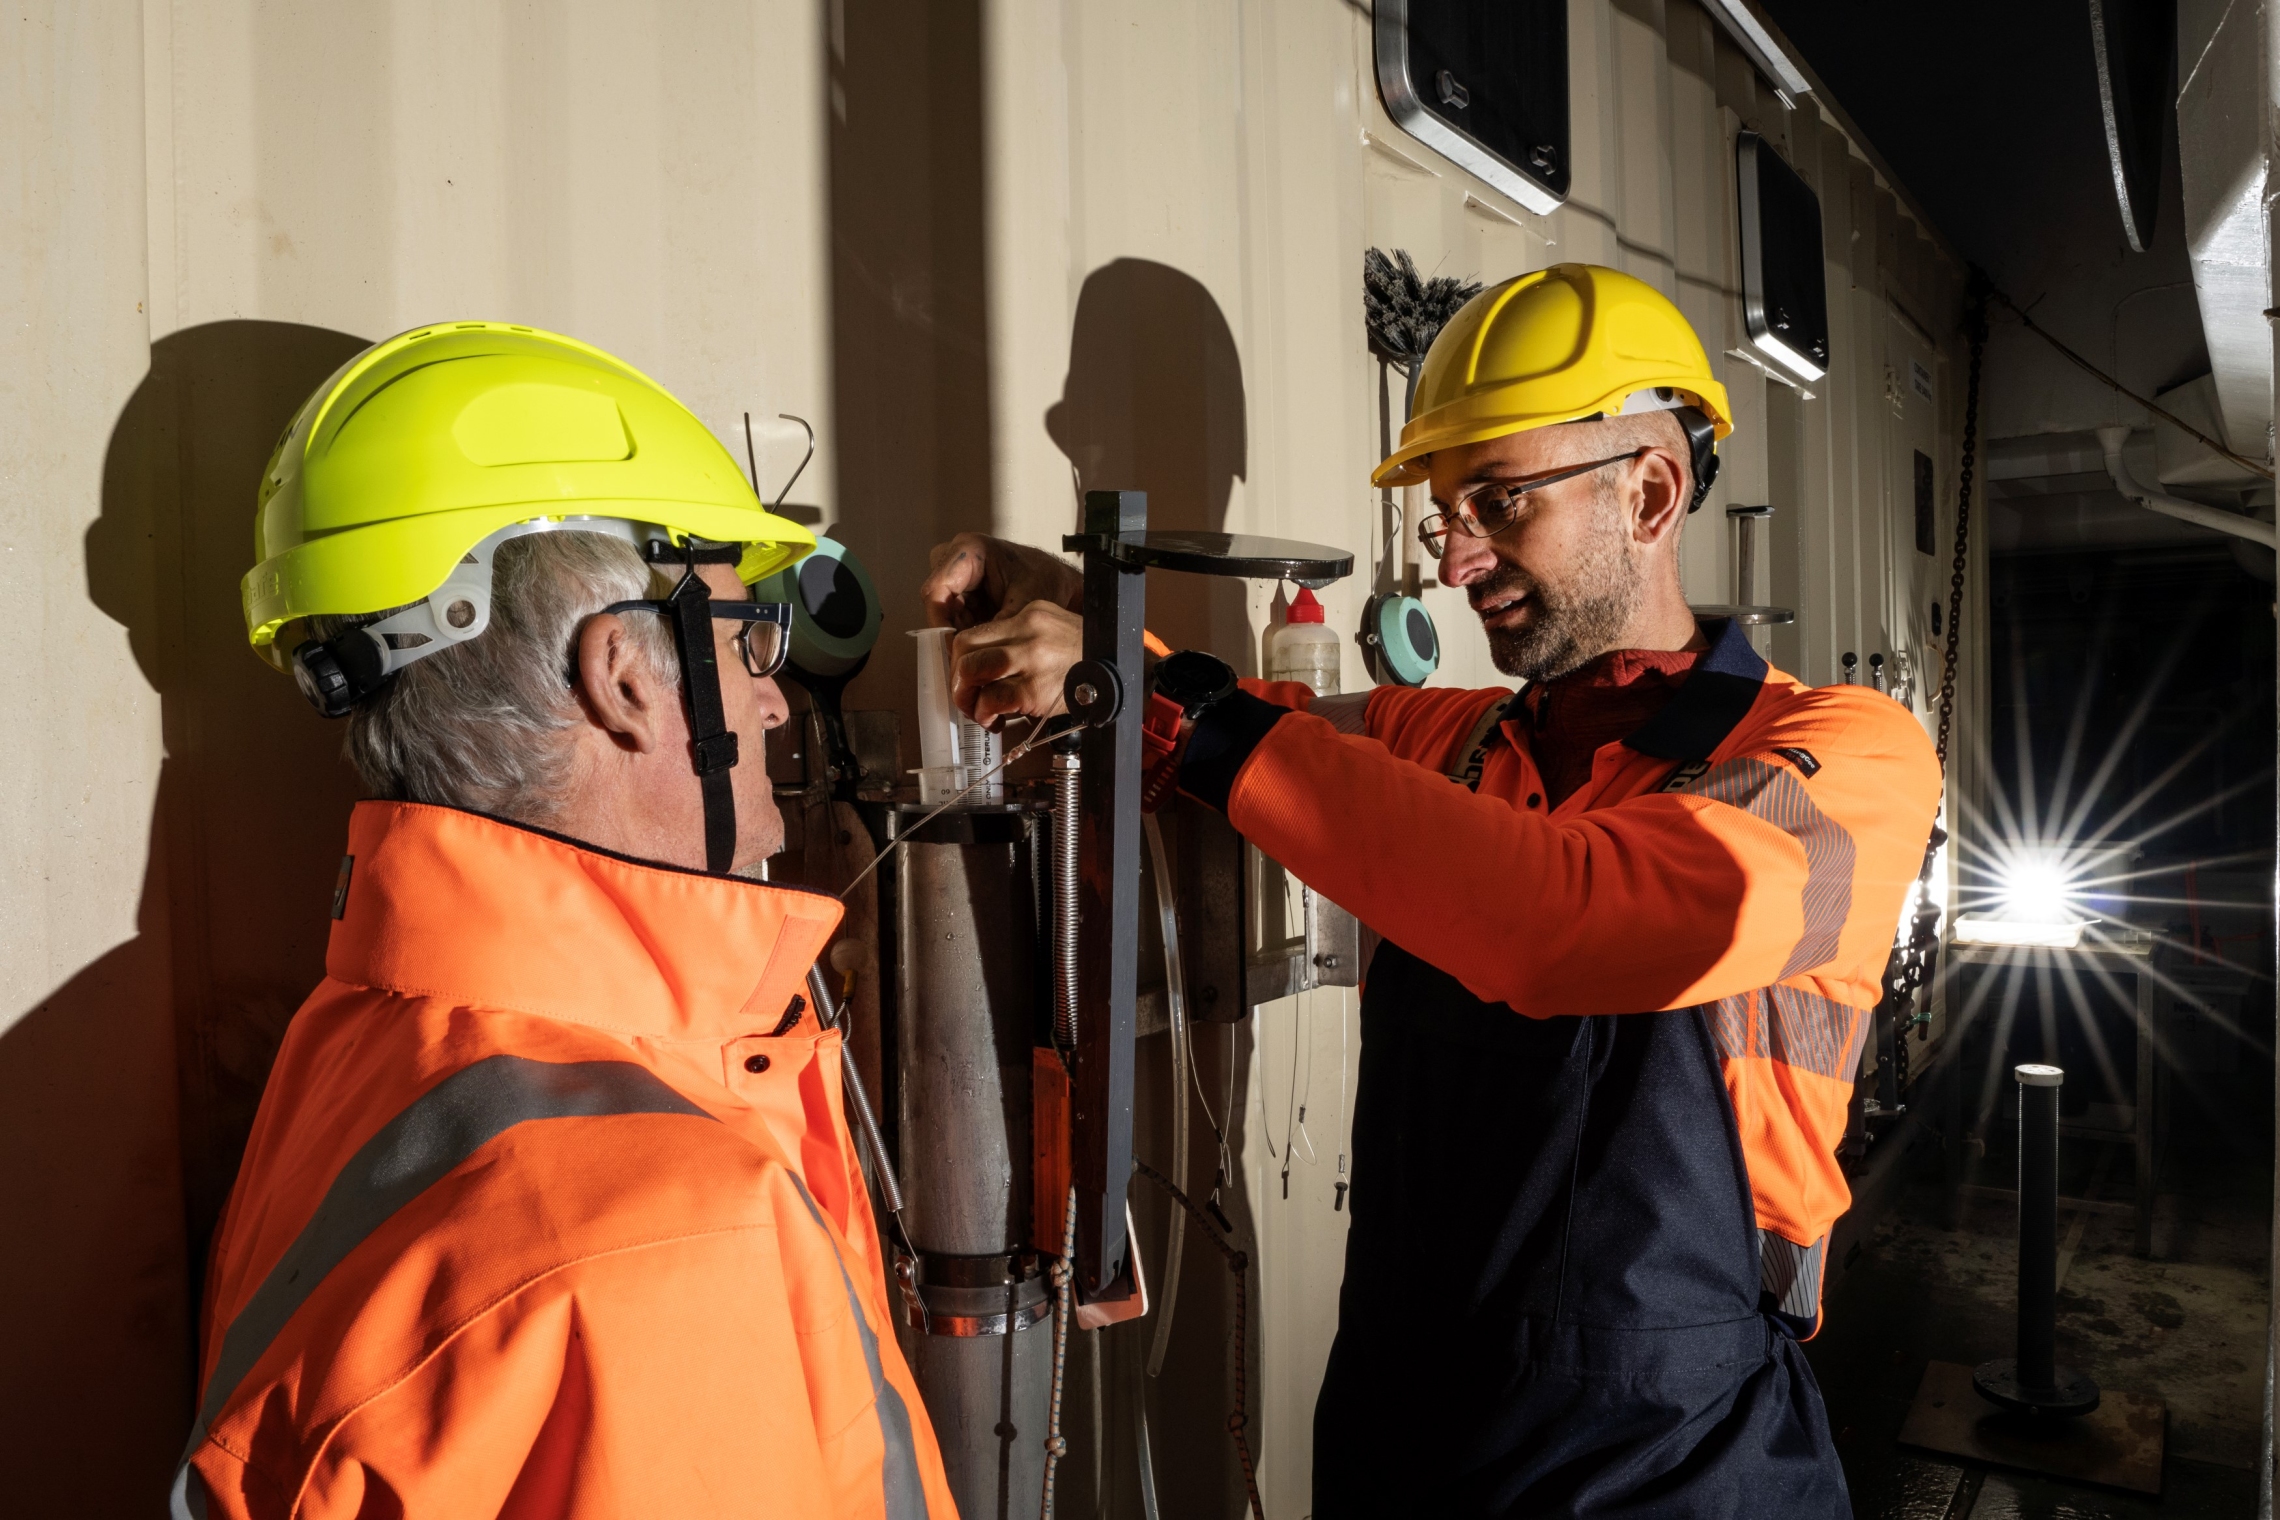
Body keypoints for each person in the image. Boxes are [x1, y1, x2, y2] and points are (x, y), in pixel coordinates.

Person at [921, 263, 1940, 1517]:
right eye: (1447, 513)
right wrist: (1075, 608)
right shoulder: (1449, 738)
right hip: (1404, 1432)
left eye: (1499, 502)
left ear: (1653, 490)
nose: (1459, 559)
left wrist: (1188, 716)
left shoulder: (1842, 757)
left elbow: (1570, 917)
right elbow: (1229, 724)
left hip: (1668, 1463)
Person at [176, 323, 953, 1520]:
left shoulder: (354, 1045)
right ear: (625, 678)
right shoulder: (671, 1239)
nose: (774, 702)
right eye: (753, 640)